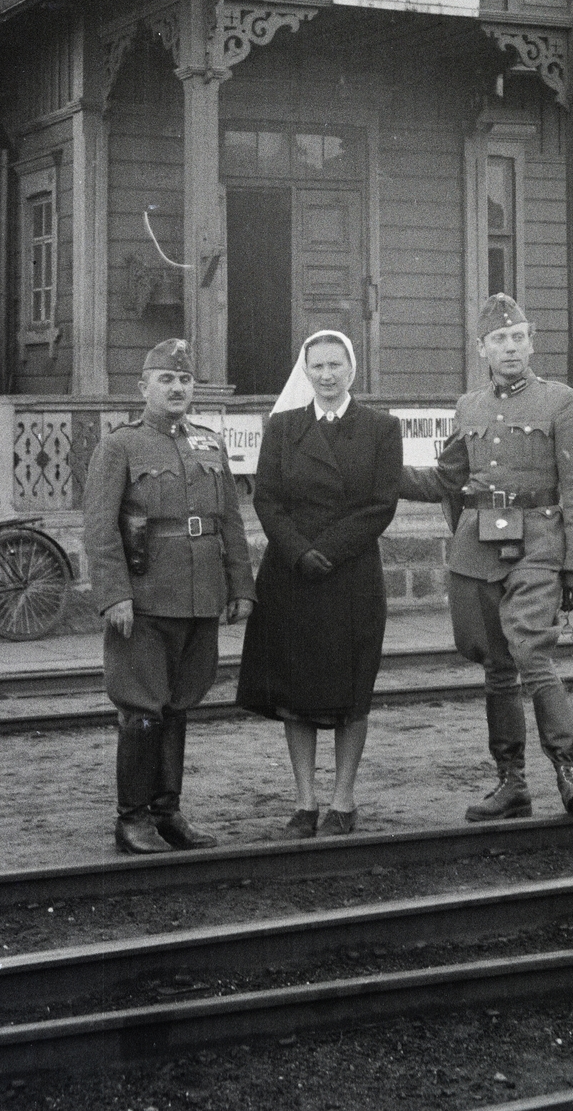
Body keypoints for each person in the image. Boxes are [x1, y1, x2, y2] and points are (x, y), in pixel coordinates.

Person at [400, 293, 573, 819]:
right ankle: (511, 783)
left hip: (537, 545)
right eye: (498, 340)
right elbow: (447, 479)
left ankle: (569, 770)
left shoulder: (561, 401)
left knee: (532, 652)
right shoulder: (469, 406)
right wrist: (379, 472)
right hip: (477, 551)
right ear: (482, 349)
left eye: (518, 338)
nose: (509, 348)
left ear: (531, 342)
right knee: (496, 667)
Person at [83, 339, 255, 854]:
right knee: (141, 707)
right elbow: (99, 528)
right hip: (145, 598)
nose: (177, 388)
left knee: (179, 705)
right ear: (143, 388)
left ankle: (167, 812)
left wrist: (240, 585)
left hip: (200, 596)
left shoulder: (208, 444)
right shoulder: (120, 446)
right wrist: (115, 595)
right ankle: (132, 818)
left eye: (184, 380)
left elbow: (229, 520)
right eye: (166, 379)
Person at [236, 330, 402, 837]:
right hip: (292, 575)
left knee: (351, 690)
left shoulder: (380, 427)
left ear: (352, 369)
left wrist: (327, 551)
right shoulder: (284, 428)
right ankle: (306, 802)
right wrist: (298, 551)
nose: (327, 376)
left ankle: (343, 801)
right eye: (318, 367)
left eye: (336, 366)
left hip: (349, 575)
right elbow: (267, 500)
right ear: (305, 373)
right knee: (297, 689)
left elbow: (380, 504)